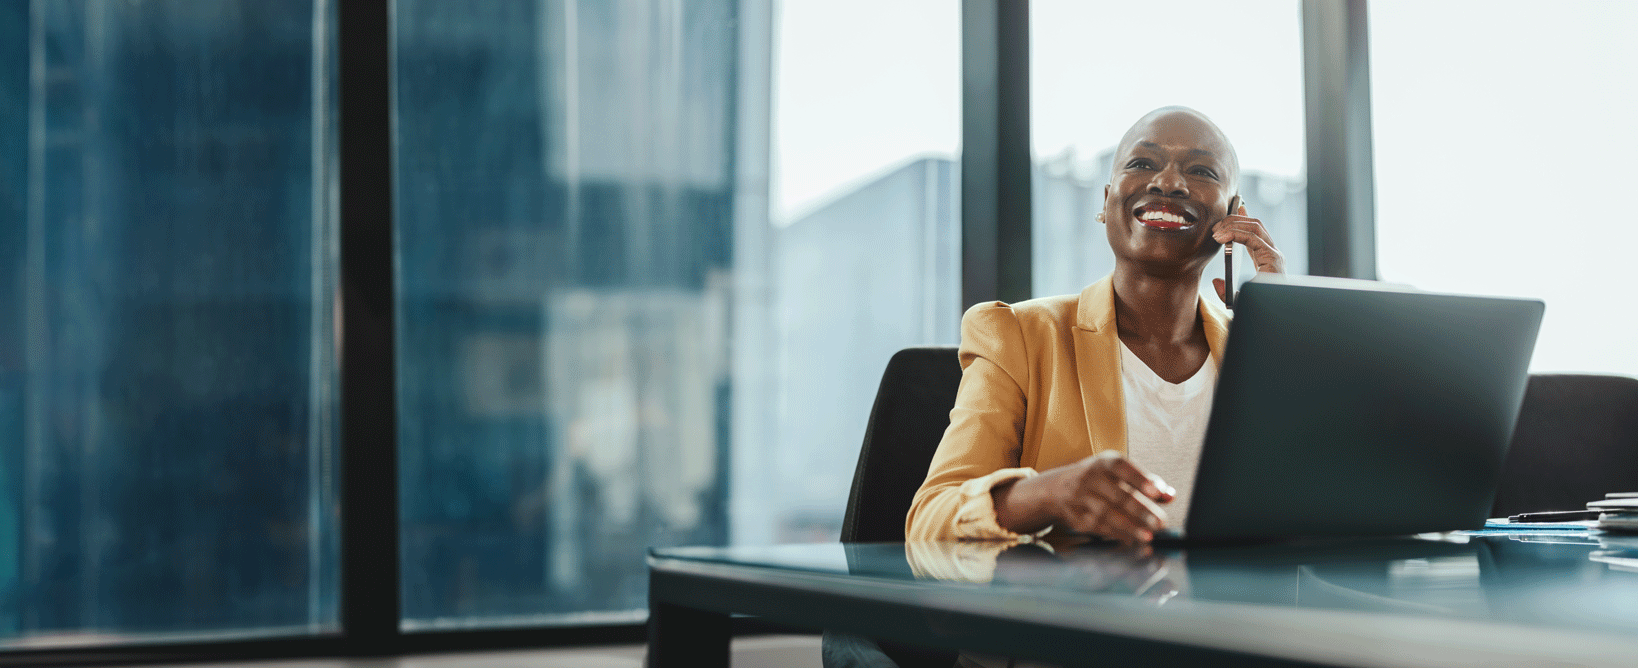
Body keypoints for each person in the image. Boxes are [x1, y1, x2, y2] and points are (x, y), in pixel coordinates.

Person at [906, 106, 1285, 545]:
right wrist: (1048, 495)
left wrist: (1284, 334)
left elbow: (1313, 507)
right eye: (1142, 164)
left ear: (1234, 213)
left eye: (1201, 170)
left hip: (1228, 612)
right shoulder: (1018, 335)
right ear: (1107, 202)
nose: (1168, 183)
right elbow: (930, 519)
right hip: (1082, 611)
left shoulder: (1259, 351)